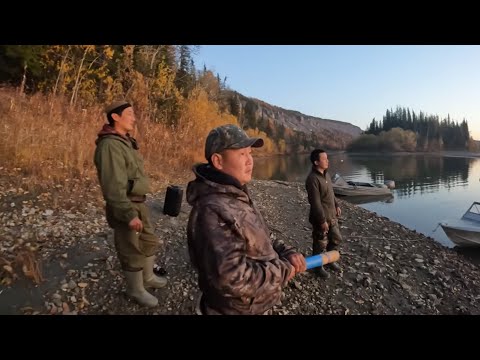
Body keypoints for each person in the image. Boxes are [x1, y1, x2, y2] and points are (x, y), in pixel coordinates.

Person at [187, 124, 306, 315]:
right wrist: (283, 270)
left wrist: (286, 252)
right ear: (218, 161)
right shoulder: (211, 210)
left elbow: (259, 235)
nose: (250, 161)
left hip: (256, 303)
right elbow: (231, 278)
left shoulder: (236, 194)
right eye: (242, 154)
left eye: (250, 153)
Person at [94, 100, 167, 308]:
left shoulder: (125, 142)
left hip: (139, 203)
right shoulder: (109, 145)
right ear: (115, 117)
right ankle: (135, 290)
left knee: (149, 240)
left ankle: (148, 278)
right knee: (130, 248)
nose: (134, 118)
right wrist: (128, 214)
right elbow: (112, 187)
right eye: (129, 114)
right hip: (125, 205)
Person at [305, 149, 343, 279]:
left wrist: (336, 205)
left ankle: (330, 260)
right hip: (321, 218)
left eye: (327, 158)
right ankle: (318, 267)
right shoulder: (312, 179)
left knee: (336, 239)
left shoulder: (326, 175)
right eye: (324, 159)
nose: (327, 161)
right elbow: (315, 203)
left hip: (332, 216)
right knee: (320, 243)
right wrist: (322, 221)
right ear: (316, 162)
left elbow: (331, 193)